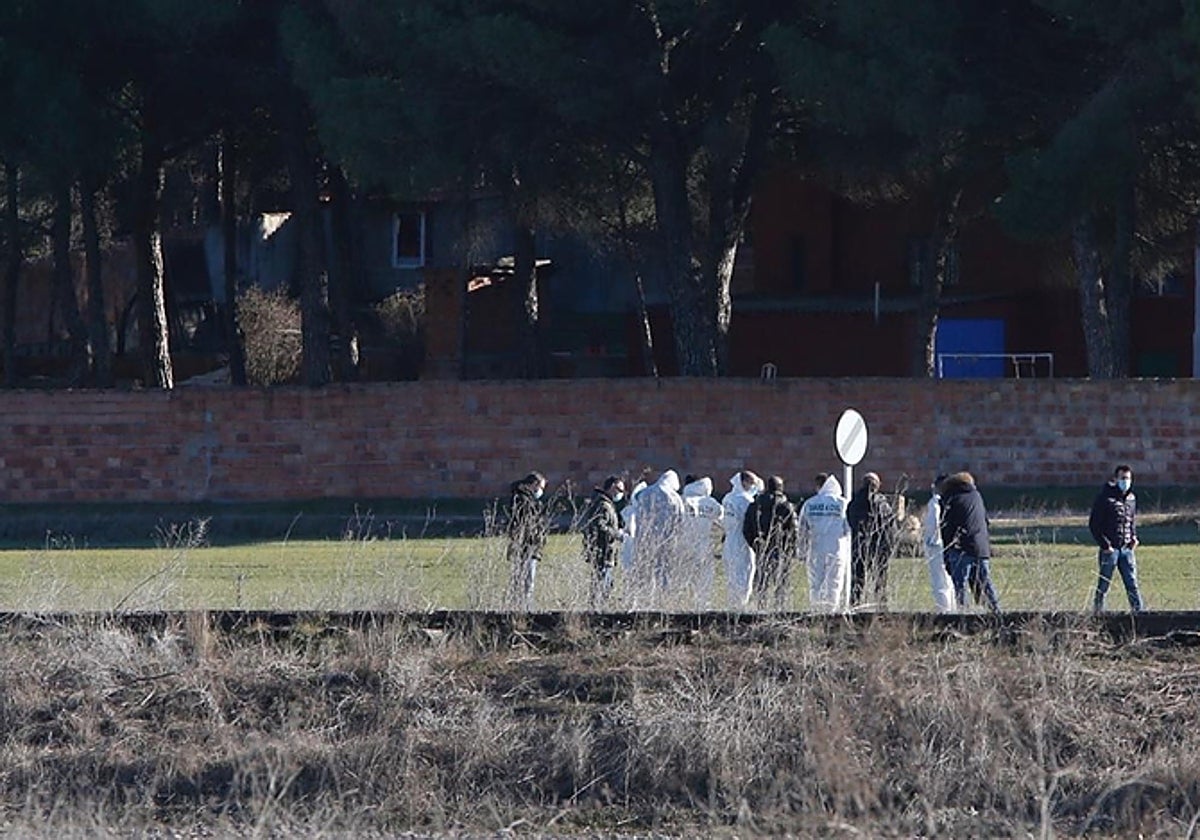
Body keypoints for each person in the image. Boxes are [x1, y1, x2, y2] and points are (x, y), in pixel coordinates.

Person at [939, 471, 1000, 613]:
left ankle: (963, 615)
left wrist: (947, 550)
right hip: (981, 548)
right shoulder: (976, 496)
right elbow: (985, 522)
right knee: (985, 583)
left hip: (961, 548)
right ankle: (997, 612)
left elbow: (946, 526)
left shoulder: (951, 498)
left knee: (960, 586)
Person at [1088, 464, 1144, 613]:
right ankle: (1098, 612)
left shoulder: (1131, 499)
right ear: (1115, 479)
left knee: (1132, 583)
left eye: (1128, 478)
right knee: (1104, 583)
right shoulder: (1105, 498)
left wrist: (1133, 537)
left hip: (1126, 549)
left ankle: (1139, 613)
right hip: (1110, 549)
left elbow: (1131, 520)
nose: (1125, 482)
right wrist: (1105, 545)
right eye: (1122, 478)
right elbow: (1094, 525)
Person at [743, 475, 799, 610]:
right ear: (781, 488)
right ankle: (780, 610)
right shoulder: (786, 506)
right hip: (781, 550)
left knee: (762, 583)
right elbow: (794, 530)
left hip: (762, 548)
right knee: (781, 584)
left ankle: (761, 609)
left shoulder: (755, 505)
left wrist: (756, 545)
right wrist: (791, 548)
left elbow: (746, 529)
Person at [630, 469, 686, 604]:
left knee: (644, 570)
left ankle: (643, 600)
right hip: (664, 540)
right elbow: (680, 520)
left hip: (643, 538)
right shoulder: (674, 497)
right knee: (663, 570)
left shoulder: (644, 493)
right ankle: (663, 600)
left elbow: (635, 507)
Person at [799, 473, 851, 613]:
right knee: (834, 582)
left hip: (815, 548)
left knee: (816, 582)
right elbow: (848, 528)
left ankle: (816, 610)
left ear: (818, 486)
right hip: (837, 548)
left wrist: (801, 550)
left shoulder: (809, 503)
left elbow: (802, 529)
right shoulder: (842, 503)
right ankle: (831, 612)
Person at [846, 472, 898, 608]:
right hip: (879, 547)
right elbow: (889, 527)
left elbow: (851, 521)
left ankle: (855, 606)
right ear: (878, 485)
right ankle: (881, 607)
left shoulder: (854, 502)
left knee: (857, 580)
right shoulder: (882, 503)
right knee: (880, 580)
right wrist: (889, 546)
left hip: (859, 546)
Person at [581, 475, 626, 608]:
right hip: (603, 550)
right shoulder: (603, 504)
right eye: (620, 490)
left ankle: (598, 608)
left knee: (605, 583)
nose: (621, 494)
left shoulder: (606, 503)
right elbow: (600, 525)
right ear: (613, 487)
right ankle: (597, 610)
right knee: (602, 584)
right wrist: (617, 534)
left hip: (606, 551)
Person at [679, 475, 724, 609]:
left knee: (685, 577)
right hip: (704, 544)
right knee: (705, 578)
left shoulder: (682, 500)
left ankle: (684, 606)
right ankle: (703, 606)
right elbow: (724, 521)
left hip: (684, 545)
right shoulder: (709, 502)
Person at [505, 471, 548, 610]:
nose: (541, 491)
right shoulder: (524, 501)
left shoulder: (522, 498)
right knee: (526, 583)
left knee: (521, 582)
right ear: (534, 484)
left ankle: (519, 608)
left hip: (524, 546)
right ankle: (524, 611)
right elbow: (526, 524)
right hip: (526, 547)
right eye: (541, 488)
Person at [720, 470, 761, 608]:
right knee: (745, 575)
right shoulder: (746, 500)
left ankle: (732, 606)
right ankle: (740, 608)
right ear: (744, 483)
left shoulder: (727, 498)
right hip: (742, 542)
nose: (753, 487)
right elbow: (750, 522)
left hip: (728, 541)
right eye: (751, 483)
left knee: (731, 577)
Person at [923, 474, 956, 613]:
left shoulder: (934, 503)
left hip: (935, 545)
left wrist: (930, 540)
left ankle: (943, 610)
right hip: (949, 544)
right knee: (949, 580)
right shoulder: (952, 500)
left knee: (939, 581)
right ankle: (952, 609)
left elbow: (932, 523)